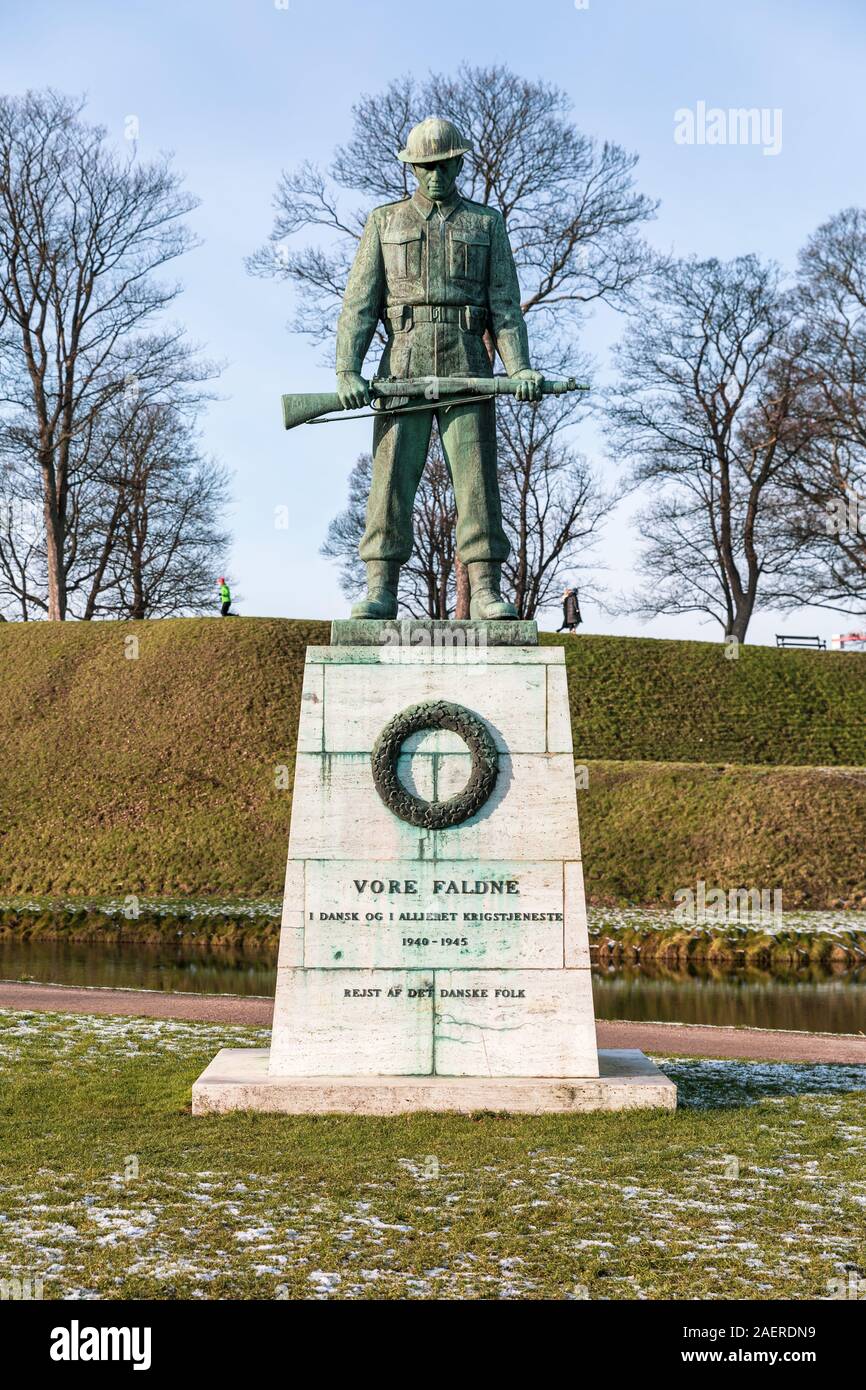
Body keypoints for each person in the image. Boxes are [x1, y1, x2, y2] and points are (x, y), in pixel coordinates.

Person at [335, 116, 544, 621]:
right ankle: (381, 585)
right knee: (390, 480)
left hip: (468, 358)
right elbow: (359, 304)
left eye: (443, 164)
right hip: (402, 360)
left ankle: (487, 586)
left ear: (458, 162)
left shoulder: (486, 223)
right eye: (425, 166)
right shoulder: (385, 222)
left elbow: (505, 307)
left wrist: (519, 368)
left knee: (476, 481)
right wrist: (347, 369)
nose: (434, 175)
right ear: (412, 167)